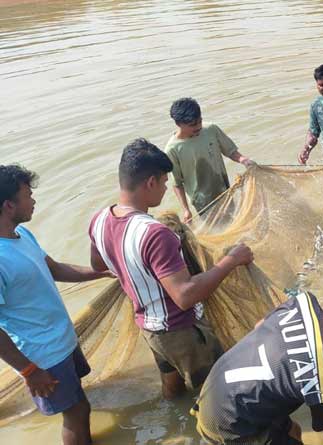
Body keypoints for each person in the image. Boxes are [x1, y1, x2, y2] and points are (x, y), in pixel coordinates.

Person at [88, 138, 254, 400]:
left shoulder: (98, 220)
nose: (166, 188)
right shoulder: (154, 233)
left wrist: (132, 267)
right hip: (182, 332)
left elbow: (99, 265)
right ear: (150, 183)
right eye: (164, 182)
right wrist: (231, 260)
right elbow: (185, 295)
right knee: (222, 394)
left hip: (150, 329)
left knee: (173, 388)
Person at [192, 281, 323, 445]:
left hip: (213, 390)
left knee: (293, 431)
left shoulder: (302, 302)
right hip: (227, 424)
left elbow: (260, 325)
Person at [0, 165, 111, 445]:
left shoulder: (23, 235)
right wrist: (29, 370)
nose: (34, 200)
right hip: (43, 356)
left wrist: (102, 272)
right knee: (76, 412)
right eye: (28, 195)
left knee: (79, 402)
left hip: (63, 340)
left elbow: (55, 269)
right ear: (9, 205)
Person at [165, 97, 256, 223]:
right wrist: (186, 210)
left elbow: (230, 151)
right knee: (216, 227)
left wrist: (243, 159)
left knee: (234, 222)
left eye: (200, 121)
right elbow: (177, 184)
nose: (198, 126)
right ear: (179, 124)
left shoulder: (211, 130)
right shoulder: (172, 149)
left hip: (224, 191)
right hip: (202, 202)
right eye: (193, 125)